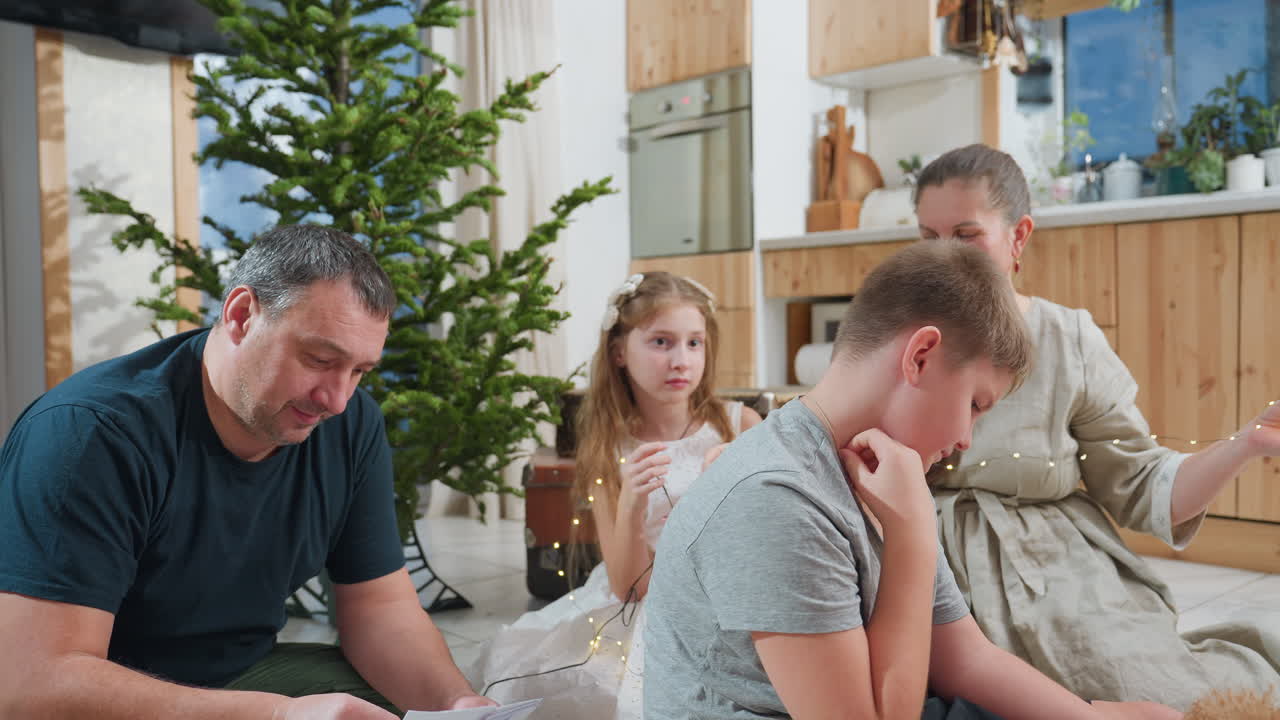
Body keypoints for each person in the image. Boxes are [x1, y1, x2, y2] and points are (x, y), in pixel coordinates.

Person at [642, 241, 1180, 720]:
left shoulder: (880, 474)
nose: (968, 437)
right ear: (920, 355)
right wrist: (913, 536)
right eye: (974, 404)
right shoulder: (776, 498)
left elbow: (963, 658)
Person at [0, 225, 493, 719]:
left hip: (240, 677)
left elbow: (380, 609)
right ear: (241, 315)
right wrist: (276, 715)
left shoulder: (351, 425)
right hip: (104, 696)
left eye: (360, 370)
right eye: (320, 359)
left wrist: (455, 704)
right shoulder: (90, 435)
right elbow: (31, 685)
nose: (337, 399)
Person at [914, 144, 1280, 710]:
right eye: (926, 238)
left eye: (965, 235)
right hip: (932, 566)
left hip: (1060, 572)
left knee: (1153, 691)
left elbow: (1140, 482)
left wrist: (1244, 445)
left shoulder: (1069, 339)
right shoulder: (897, 335)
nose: (942, 257)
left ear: (1018, 238)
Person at [469, 271, 761, 719]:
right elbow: (629, 588)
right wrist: (631, 504)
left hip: (728, 597)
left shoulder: (737, 427)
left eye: (694, 343)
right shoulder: (609, 448)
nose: (680, 360)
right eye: (661, 342)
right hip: (643, 603)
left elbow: (766, 539)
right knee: (605, 684)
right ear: (620, 352)